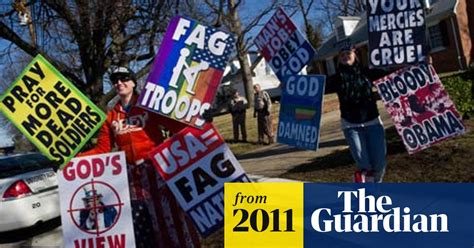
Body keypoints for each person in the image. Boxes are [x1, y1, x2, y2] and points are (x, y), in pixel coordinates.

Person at [79, 66, 200, 247]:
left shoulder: (150, 105)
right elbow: (102, 149)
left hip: (159, 170)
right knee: (144, 223)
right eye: (115, 80)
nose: (120, 83)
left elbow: (176, 126)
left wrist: (200, 120)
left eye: (124, 78)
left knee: (171, 218)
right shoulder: (111, 116)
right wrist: (73, 159)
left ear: (134, 82)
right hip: (131, 178)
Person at [327, 44, 388, 183]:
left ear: (355, 55)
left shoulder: (367, 72)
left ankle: (374, 186)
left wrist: (421, 64)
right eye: (341, 55)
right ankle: (369, 192)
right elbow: (315, 85)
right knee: (364, 165)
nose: (345, 56)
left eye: (348, 53)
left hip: (372, 122)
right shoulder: (336, 78)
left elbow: (391, 73)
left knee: (379, 164)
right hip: (350, 125)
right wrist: (289, 84)